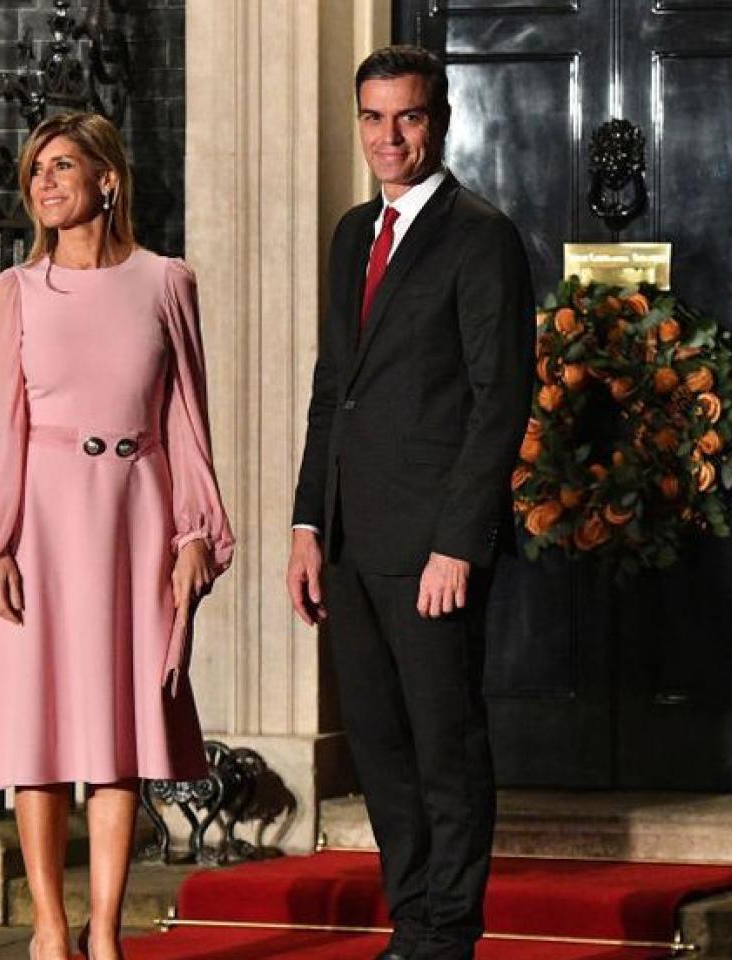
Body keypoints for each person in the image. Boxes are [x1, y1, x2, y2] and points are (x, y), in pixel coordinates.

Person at [0, 111, 234, 960]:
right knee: (38, 733)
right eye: (35, 168)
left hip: (135, 515)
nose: (43, 182)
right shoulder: (16, 291)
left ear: (107, 180)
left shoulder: (165, 282)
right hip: (41, 518)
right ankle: (50, 932)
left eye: (62, 165)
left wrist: (197, 529)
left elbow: (188, 418)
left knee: (119, 733)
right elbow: (1, 429)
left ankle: (105, 933)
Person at [286, 45, 534, 960]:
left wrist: (458, 543)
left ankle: (448, 934)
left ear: (441, 121)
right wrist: (309, 524)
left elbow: (499, 400)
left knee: (445, 747)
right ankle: (413, 920)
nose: (388, 137)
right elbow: (332, 391)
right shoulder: (354, 233)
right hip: (351, 542)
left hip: (434, 547)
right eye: (373, 118)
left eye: (409, 117)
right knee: (382, 751)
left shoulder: (481, 235)